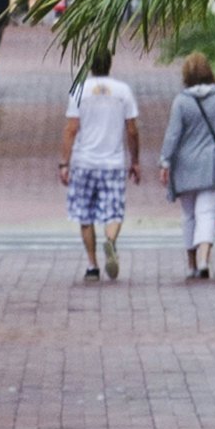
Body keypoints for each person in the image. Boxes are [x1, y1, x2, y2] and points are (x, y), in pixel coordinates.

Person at [163, 53, 215, 281]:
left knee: (188, 215)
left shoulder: (181, 101)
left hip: (184, 166)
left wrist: (165, 161)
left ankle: (191, 264)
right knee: (207, 213)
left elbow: (173, 135)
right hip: (212, 164)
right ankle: (204, 260)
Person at [64, 49, 142, 282]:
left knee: (85, 215)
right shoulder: (122, 91)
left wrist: (63, 163)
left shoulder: (79, 90)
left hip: (84, 161)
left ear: (90, 66)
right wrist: (135, 160)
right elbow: (132, 130)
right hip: (112, 162)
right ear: (109, 64)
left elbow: (71, 129)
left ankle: (92, 265)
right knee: (114, 211)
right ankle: (110, 241)